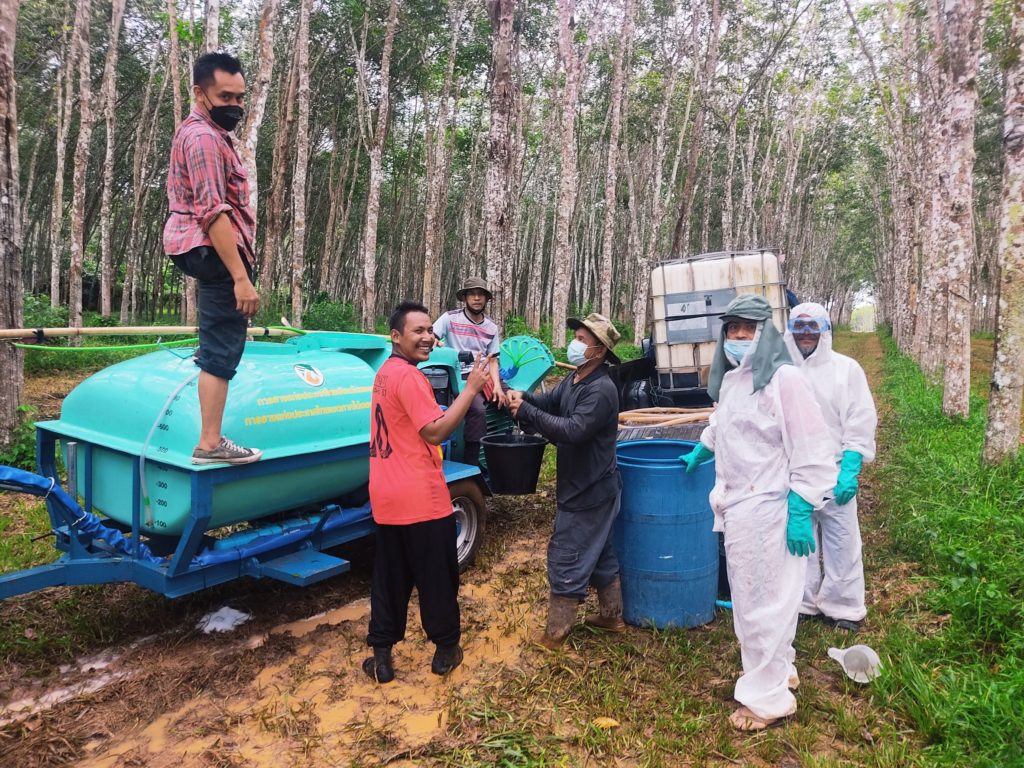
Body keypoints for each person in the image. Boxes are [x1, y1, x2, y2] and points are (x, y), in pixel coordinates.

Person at [680, 295, 835, 731]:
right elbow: (726, 422)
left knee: (759, 604)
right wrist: (703, 446)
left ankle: (767, 701)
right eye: (733, 330)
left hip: (769, 508)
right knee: (770, 597)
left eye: (750, 329)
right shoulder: (735, 380)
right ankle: (780, 669)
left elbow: (812, 445)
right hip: (741, 502)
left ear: (768, 333)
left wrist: (802, 503)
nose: (740, 338)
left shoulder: (784, 378)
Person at [363, 301, 490, 684]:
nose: (427, 338)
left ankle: (382, 658)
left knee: (390, 579)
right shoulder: (411, 378)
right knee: (437, 578)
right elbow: (434, 432)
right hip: (421, 497)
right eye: (417, 331)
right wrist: (470, 391)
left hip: (386, 496)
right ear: (396, 336)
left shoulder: (384, 372)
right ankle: (446, 651)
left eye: (429, 331)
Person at [163, 52, 261, 465]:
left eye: (240, 97)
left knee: (220, 338)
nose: (235, 105)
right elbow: (214, 211)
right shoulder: (202, 137)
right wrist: (241, 277)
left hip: (204, 248)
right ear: (200, 93)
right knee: (222, 345)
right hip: (213, 249)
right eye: (226, 96)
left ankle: (210, 437)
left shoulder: (211, 134)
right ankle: (210, 442)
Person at [507, 313, 624, 649]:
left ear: (599, 351)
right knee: (600, 552)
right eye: (576, 335)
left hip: (590, 489)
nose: (575, 342)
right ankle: (612, 616)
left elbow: (573, 431)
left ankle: (556, 634)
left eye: (583, 339)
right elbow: (547, 403)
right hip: (587, 483)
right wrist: (519, 397)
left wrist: (527, 414)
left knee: (566, 555)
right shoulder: (575, 378)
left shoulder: (600, 389)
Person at [783, 302, 877, 633]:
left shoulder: (845, 369)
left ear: (825, 331)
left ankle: (845, 606)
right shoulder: (782, 371)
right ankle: (803, 602)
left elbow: (860, 417)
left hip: (835, 468)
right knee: (799, 541)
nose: (806, 333)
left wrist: (851, 465)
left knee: (842, 540)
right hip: (795, 470)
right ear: (790, 330)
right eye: (800, 326)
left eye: (813, 326)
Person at [433, 277, 507, 467]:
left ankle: (513, 451)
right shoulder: (449, 318)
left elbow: (493, 360)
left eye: (481, 294)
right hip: (460, 376)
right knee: (477, 410)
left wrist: (498, 386)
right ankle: (472, 463)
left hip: (486, 374)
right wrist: (434, 341)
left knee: (515, 398)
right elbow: (431, 335)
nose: (476, 298)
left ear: (486, 299)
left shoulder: (491, 327)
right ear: (465, 298)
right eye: (472, 294)